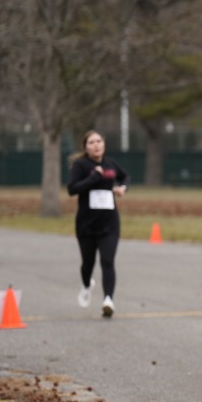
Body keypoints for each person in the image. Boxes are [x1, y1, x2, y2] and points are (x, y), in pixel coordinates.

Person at [67, 130, 129, 318]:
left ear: (104, 144)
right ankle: (87, 285)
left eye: (99, 141)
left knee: (107, 261)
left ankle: (108, 300)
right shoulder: (81, 165)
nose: (96, 145)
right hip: (86, 224)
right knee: (88, 264)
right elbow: (72, 189)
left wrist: (122, 188)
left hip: (109, 223)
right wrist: (93, 178)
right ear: (85, 147)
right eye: (92, 142)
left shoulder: (111, 164)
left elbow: (125, 177)